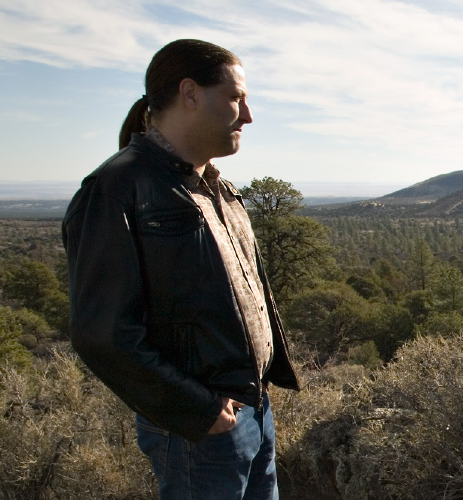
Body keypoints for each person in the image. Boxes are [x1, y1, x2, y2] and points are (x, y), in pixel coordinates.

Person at [63, 39, 299, 500]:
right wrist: (195, 410)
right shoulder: (116, 189)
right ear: (190, 93)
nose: (247, 116)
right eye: (235, 98)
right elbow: (101, 332)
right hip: (200, 431)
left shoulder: (217, 187)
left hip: (251, 409)